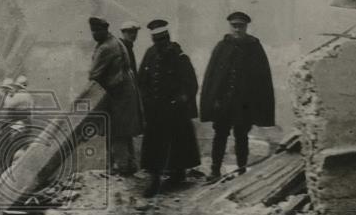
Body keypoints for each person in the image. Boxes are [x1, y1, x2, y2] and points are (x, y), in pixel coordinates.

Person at [199, 11, 275, 179]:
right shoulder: (222, 47)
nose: (238, 29)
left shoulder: (254, 46)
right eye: (235, 26)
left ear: (246, 27)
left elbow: (262, 77)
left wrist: (256, 102)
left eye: (241, 26)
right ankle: (215, 170)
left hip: (244, 103)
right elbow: (212, 77)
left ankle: (241, 169)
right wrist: (214, 100)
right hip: (223, 102)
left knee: (242, 136)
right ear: (230, 26)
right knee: (220, 135)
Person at [137, 19, 201, 197]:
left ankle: (177, 173)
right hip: (155, 110)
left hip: (174, 111)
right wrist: (146, 99)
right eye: (156, 41)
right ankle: (155, 180)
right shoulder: (150, 54)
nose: (160, 45)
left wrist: (179, 101)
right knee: (154, 146)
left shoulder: (179, 56)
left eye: (163, 40)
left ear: (168, 38)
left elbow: (191, 85)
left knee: (177, 145)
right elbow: (142, 79)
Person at [87, 16, 143, 176]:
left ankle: (123, 167)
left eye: (97, 31)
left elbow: (94, 73)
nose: (94, 34)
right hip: (123, 93)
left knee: (117, 130)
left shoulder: (107, 47)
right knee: (123, 131)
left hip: (119, 95)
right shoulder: (112, 42)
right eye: (93, 31)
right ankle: (127, 165)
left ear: (105, 30)